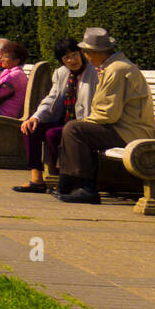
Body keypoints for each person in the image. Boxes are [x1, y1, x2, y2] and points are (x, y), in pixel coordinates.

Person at [55, 27, 155, 204]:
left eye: (86, 52)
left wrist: (84, 122)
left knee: (74, 129)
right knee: (74, 128)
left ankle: (86, 188)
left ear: (95, 53)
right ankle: (67, 183)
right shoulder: (115, 66)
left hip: (131, 133)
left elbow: (108, 113)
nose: (85, 56)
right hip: (126, 129)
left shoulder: (116, 70)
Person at [13, 37, 98, 193]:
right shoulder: (61, 73)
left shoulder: (94, 72)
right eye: (67, 58)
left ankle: (60, 177)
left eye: (74, 55)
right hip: (64, 120)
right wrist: (35, 117)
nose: (72, 60)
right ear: (62, 61)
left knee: (52, 134)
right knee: (30, 128)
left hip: (82, 124)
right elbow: (51, 99)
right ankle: (37, 179)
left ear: (81, 53)